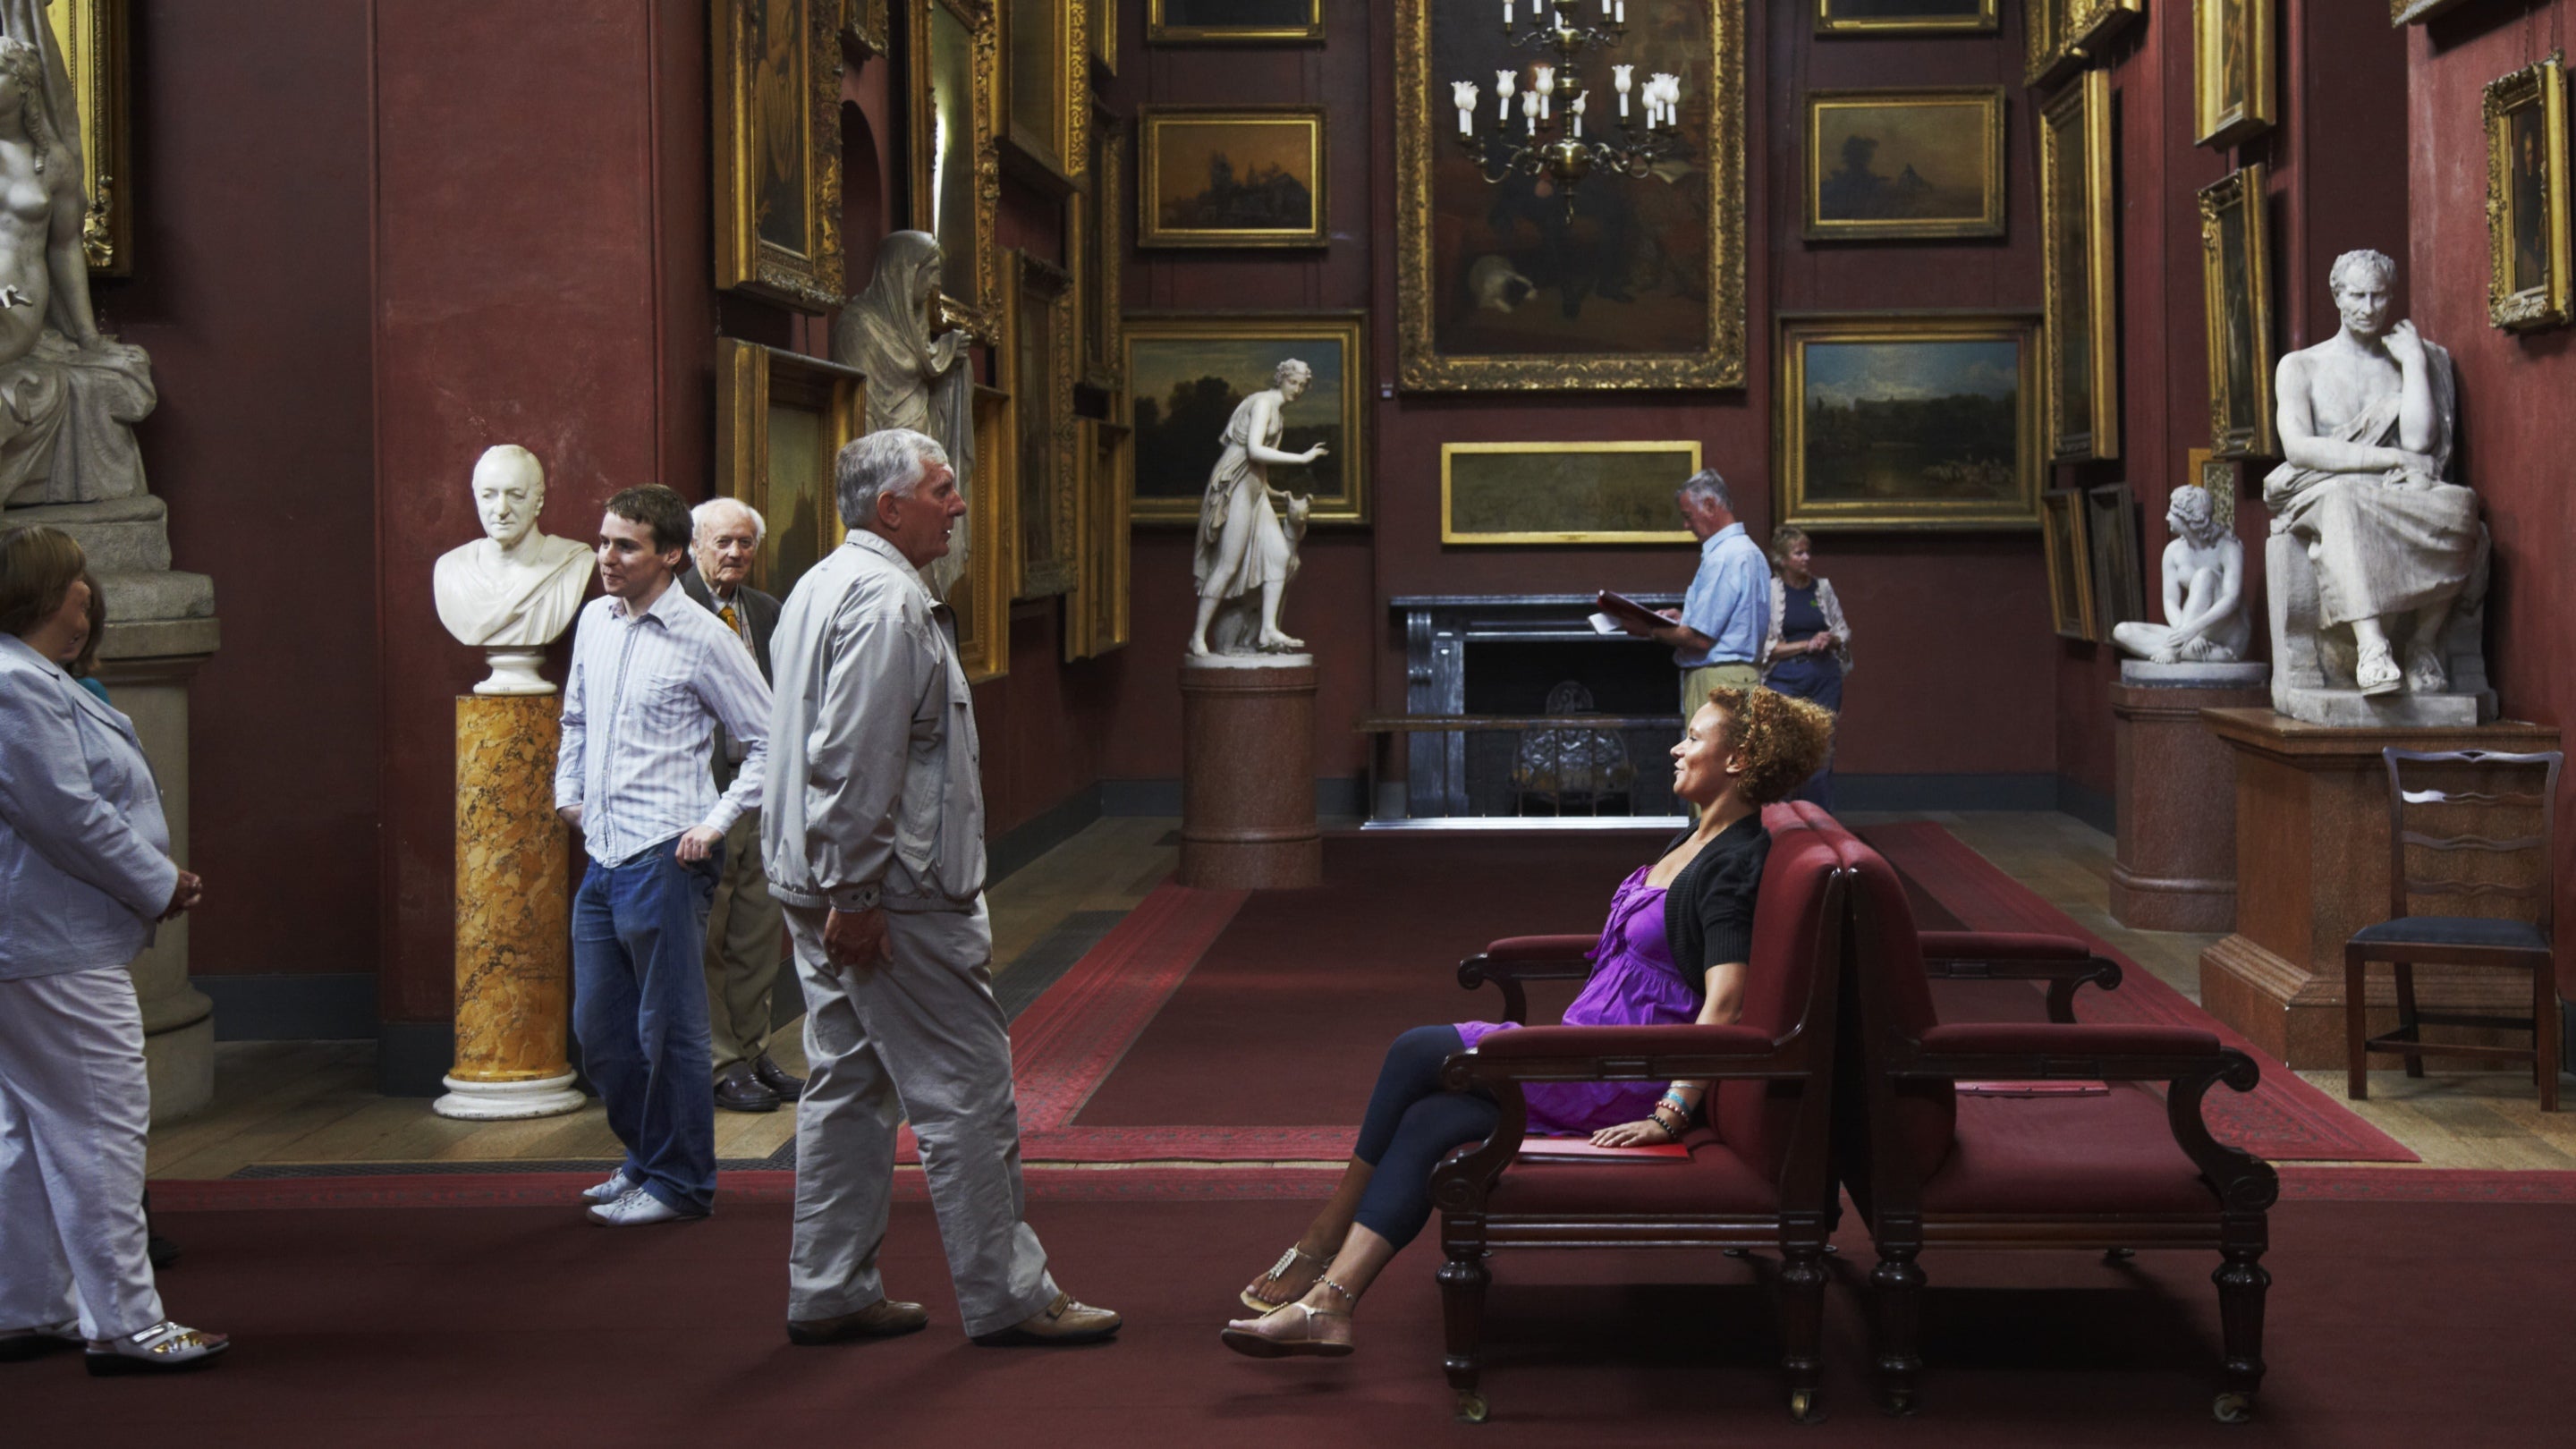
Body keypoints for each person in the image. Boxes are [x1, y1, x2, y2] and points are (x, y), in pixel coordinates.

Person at [1220, 687, 1836, 1359]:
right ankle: (1330, 1304)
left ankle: (1319, 1239)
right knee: (1432, 1120)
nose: (1677, 747)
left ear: (1739, 759)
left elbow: (1726, 1004)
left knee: (1417, 1049)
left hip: (1622, 1071)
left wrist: (1670, 1113)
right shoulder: (1693, 838)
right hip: (1586, 1054)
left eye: (1694, 737)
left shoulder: (1735, 865)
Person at [764, 429, 1121, 1348]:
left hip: (831, 883)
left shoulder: (820, 584)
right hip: (892, 895)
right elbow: (856, 762)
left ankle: (831, 1286)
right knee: (967, 1089)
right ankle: (1011, 1297)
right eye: (943, 490)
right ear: (891, 508)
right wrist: (858, 896)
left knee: (848, 1081)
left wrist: (838, 887)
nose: (959, 507)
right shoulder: (887, 604)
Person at [0, 525, 225, 1374]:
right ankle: (128, 1324)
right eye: (75, 580)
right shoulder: (16, 685)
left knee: (28, 1128)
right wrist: (156, 879)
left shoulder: (35, 678)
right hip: (51, 945)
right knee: (99, 1127)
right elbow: (64, 812)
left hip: (39, 940)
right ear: (40, 591)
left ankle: (25, 1307)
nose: (87, 592)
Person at [555, 485, 775, 1227]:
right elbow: (577, 715)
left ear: (670, 555)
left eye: (625, 546)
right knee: (601, 1034)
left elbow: (770, 744)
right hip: (604, 857)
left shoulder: (707, 636)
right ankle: (644, 1159)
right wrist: (567, 795)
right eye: (603, 541)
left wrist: (713, 825)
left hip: (666, 857)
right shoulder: (594, 622)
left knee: (670, 1031)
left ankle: (680, 1183)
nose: (606, 558)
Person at [2267, 249, 2477, 697]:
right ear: (2336, 295)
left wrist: (2415, 364)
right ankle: (2373, 647)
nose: (2369, 308)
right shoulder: (2301, 366)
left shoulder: (2413, 358)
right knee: (2343, 501)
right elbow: (2299, 449)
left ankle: (2421, 644)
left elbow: (2421, 443)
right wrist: (2392, 459)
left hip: (2392, 489)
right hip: (2323, 488)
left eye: (2379, 297)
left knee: (2459, 504)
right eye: (2358, 296)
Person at [679, 497, 801, 1114]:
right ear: (695, 545)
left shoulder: (765, 611)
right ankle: (720, 1062)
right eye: (722, 542)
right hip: (703, 801)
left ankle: (754, 1052)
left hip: (763, 793)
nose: (734, 554)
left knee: (757, 933)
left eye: (745, 543)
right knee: (711, 937)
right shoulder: (676, 611)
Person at [1185, 358, 1325, 658]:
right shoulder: (1263, 404)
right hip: (1234, 485)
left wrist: (1273, 491)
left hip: (1255, 489)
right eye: (1293, 382)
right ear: (1281, 379)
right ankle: (1197, 636)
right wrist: (1301, 458)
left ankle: (1267, 629)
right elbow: (1253, 451)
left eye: (1302, 385)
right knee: (1228, 565)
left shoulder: (1278, 412)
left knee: (1280, 556)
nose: (1298, 389)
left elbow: (1259, 465)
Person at [1617, 469, 1771, 722]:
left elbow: (1699, 639)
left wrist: (1647, 628)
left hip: (1718, 679)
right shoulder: (1750, 552)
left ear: (1710, 505)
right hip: (1740, 677)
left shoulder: (1724, 556)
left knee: (1709, 760)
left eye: (1688, 516)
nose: (1686, 525)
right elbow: (1733, 620)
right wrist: (1685, 617)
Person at [1759, 527, 1852, 809]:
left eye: (1807, 552)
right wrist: (1805, 645)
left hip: (1824, 678)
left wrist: (1830, 638)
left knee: (1820, 753)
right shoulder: (1772, 592)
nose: (1806, 558)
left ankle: (1820, 823)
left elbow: (1843, 630)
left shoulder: (1821, 588)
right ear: (1782, 559)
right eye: (1799, 553)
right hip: (1785, 679)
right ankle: (1783, 825)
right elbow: (1764, 647)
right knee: (1783, 753)